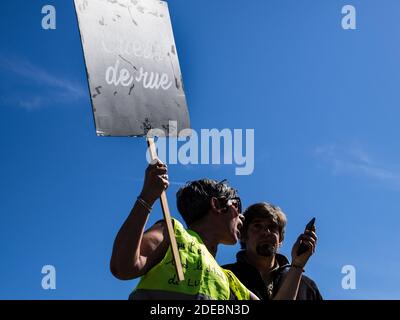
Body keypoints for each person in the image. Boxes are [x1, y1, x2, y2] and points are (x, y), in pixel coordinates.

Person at [110, 161, 315, 300]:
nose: (241, 217)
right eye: (237, 206)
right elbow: (123, 267)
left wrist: (296, 265)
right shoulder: (172, 234)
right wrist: (147, 197)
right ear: (217, 206)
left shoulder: (228, 280)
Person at [223, 202, 322, 300]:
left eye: (272, 227)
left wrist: (298, 265)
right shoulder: (224, 277)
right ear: (243, 235)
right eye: (257, 226)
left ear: (281, 239)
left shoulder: (307, 287)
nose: (266, 232)